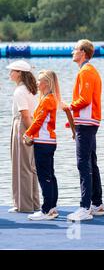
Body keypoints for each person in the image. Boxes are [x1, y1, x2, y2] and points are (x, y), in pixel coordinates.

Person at [62, 39, 104, 221]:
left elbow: (85, 99)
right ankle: (97, 203)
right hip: (87, 121)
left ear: (83, 53)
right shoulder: (86, 70)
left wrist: (69, 106)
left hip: (87, 123)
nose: (72, 51)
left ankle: (85, 207)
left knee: (83, 163)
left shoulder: (86, 71)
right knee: (90, 162)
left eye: (75, 49)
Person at [24, 70, 60, 221]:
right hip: (47, 141)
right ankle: (51, 207)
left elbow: (38, 121)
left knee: (45, 176)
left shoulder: (47, 100)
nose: (37, 83)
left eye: (39, 81)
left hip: (44, 142)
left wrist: (27, 134)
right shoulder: (48, 98)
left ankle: (47, 210)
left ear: (46, 83)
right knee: (50, 175)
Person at [7, 60, 40, 213]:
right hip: (31, 125)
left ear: (19, 73)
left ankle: (23, 205)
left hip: (22, 126)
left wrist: (30, 133)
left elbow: (25, 116)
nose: (9, 74)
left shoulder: (20, 91)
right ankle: (33, 203)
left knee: (21, 166)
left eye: (12, 71)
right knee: (30, 167)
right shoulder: (31, 89)